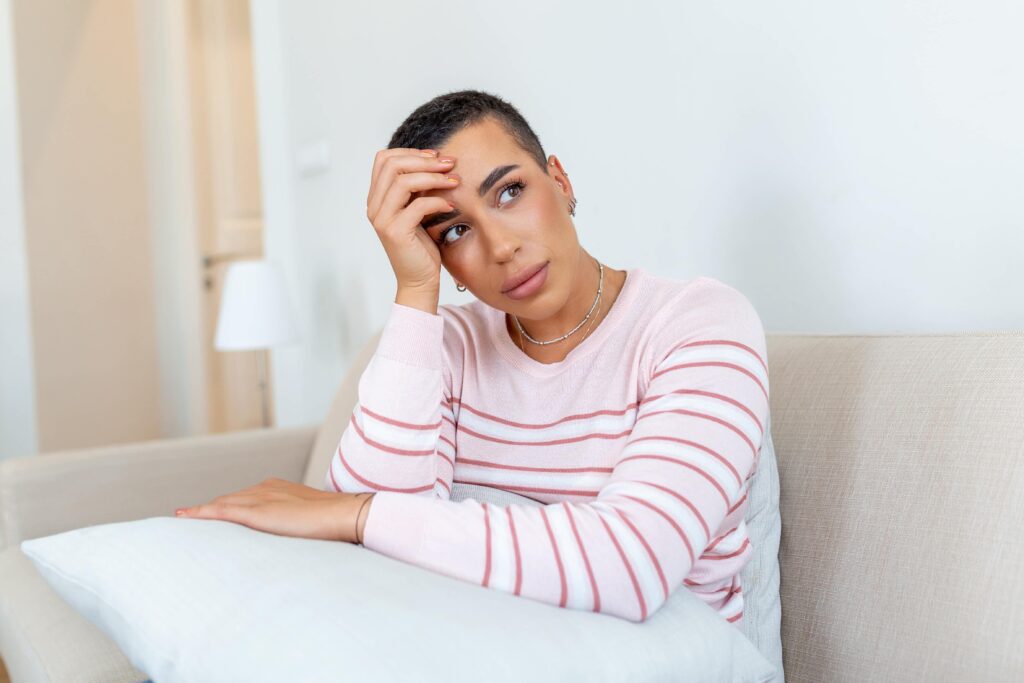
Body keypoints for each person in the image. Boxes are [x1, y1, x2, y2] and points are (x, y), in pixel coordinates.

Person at [178, 89, 769, 626]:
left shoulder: (696, 322)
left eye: (510, 191)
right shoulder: (450, 345)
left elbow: (631, 564)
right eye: (455, 231)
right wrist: (415, 290)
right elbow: (370, 566)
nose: (501, 246)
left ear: (559, 181)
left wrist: (357, 515)